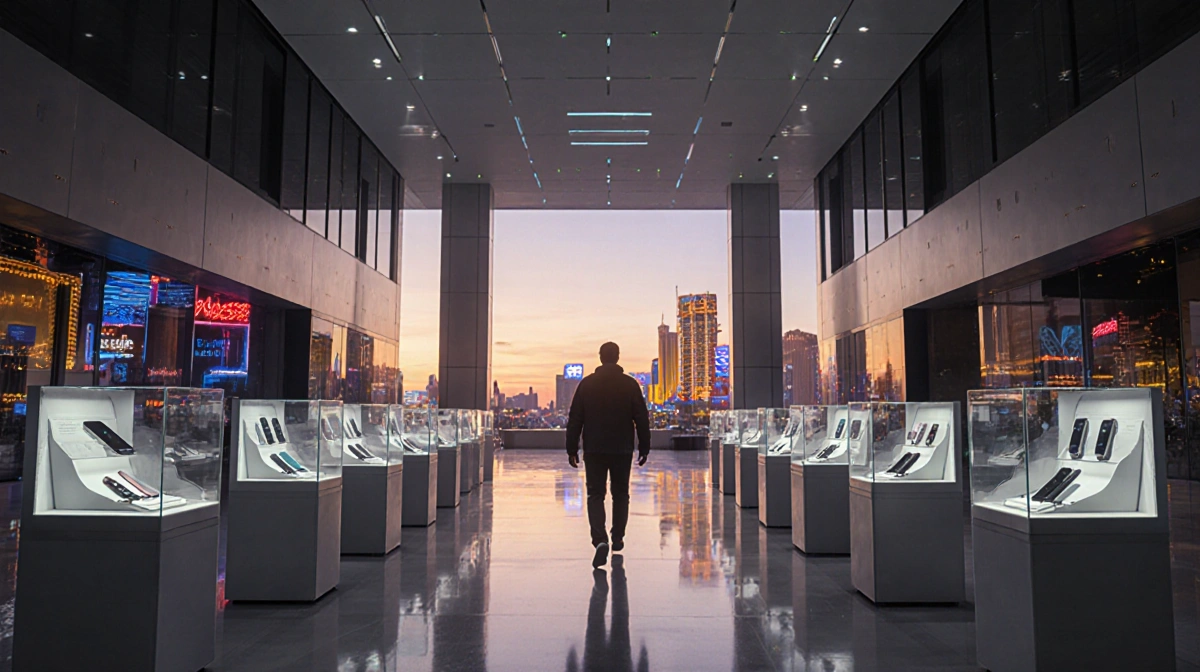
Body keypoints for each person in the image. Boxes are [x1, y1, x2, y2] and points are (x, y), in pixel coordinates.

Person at [566, 342, 651, 568]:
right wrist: (644, 446)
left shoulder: (586, 385)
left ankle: (600, 539)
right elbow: (641, 418)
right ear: (618, 357)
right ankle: (618, 537)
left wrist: (571, 449)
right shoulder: (630, 385)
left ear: (601, 357)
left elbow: (575, 419)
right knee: (621, 493)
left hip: (594, 448)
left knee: (595, 494)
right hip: (622, 448)